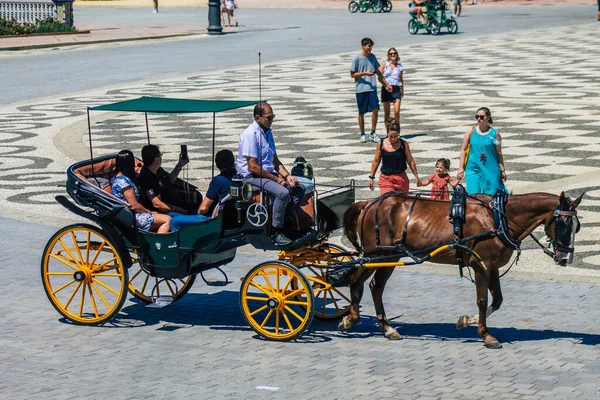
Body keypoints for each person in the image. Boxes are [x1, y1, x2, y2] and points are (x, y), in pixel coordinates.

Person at [237, 102, 305, 246]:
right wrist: (277, 179)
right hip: (251, 177)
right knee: (282, 193)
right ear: (258, 118)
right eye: (269, 117)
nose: (272, 120)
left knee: (298, 188)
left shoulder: (268, 132)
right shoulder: (250, 134)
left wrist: (287, 176)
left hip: (265, 174)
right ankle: (275, 231)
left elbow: (274, 160)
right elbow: (253, 167)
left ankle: (287, 224)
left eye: (272, 116)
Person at [111, 150, 171, 233]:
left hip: (133, 212)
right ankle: (160, 243)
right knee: (167, 219)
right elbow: (133, 205)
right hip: (132, 215)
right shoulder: (123, 182)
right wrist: (149, 212)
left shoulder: (120, 176)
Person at [457, 107, 508, 195]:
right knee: (473, 195)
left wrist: (502, 170)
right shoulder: (471, 131)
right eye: (477, 117)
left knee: (492, 195)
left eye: (481, 117)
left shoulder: (495, 133)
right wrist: (461, 167)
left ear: (488, 118)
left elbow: (499, 153)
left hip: (490, 168)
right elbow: (463, 149)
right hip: (473, 167)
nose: (479, 119)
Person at [138, 144, 201, 216]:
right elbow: (157, 204)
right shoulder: (146, 178)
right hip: (167, 211)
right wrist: (177, 209)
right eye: (160, 155)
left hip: (177, 203)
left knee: (199, 204)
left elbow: (169, 180)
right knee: (196, 214)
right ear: (156, 159)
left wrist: (179, 165)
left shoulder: (158, 169)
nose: (161, 157)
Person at [350, 37, 393, 144]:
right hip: (361, 89)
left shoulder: (372, 57)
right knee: (361, 112)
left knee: (375, 108)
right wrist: (365, 73)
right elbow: (352, 74)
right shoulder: (356, 58)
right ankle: (362, 134)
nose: (370, 48)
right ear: (363, 46)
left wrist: (386, 84)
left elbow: (378, 72)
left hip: (372, 88)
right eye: (368, 46)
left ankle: (373, 132)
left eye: (371, 46)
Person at [368, 118, 420, 194]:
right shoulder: (381, 144)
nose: (393, 139)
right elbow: (376, 161)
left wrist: (416, 176)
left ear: (399, 134)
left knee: (402, 203)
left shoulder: (404, 144)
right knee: (388, 200)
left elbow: (410, 161)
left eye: (396, 136)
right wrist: (371, 177)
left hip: (401, 178)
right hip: (385, 178)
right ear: (387, 133)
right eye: (391, 136)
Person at [379, 47, 404, 129]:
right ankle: (388, 132)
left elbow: (401, 79)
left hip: (396, 88)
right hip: (386, 88)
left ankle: (396, 130)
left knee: (397, 111)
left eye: (394, 53)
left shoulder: (400, 66)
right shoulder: (384, 63)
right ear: (388, 55)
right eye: (391, 53)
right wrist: (385, 84)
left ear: (397, 54)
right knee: (387, 113)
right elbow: (379, 76)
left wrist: (402, 90)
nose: (393, 55)